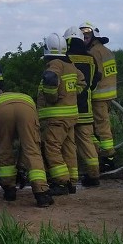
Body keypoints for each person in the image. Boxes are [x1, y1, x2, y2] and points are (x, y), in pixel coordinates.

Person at [0, 92, 54, 207]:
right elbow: (26, 147)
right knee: (31, 148)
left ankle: (9, 190)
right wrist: (21, 169)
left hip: (1, 111)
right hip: (27, 107)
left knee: (4, 147)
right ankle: (42, 193)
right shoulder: (25, 97)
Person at [36, 33, 85, 196]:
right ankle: (71, 181)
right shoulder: (70, 65)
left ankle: (61, 182)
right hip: (70, 116)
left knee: (52, 147)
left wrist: (53, 97)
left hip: (56, 117)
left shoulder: (55, 63)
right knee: (68, 148)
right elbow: (81, 82)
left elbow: (50, 79)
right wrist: (70, 94)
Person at [64, 27, 101, 187]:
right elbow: (93, 83)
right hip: (86, 108)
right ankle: (94, 176)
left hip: (67, 109)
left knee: (69, 143)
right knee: (86, 142)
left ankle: (70, 178)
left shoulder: (66, 59)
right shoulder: (91, 59)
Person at [78, 21, 118, 170]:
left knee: (100, 127)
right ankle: (104, 155)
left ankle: (108, 158)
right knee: (103, 125)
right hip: (108, 95)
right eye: (83, 37)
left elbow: (95, 75)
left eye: (87, 37)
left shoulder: (94, 52)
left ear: (94, 37)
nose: (84, 40)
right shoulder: (106, 51)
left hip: (98, 96)